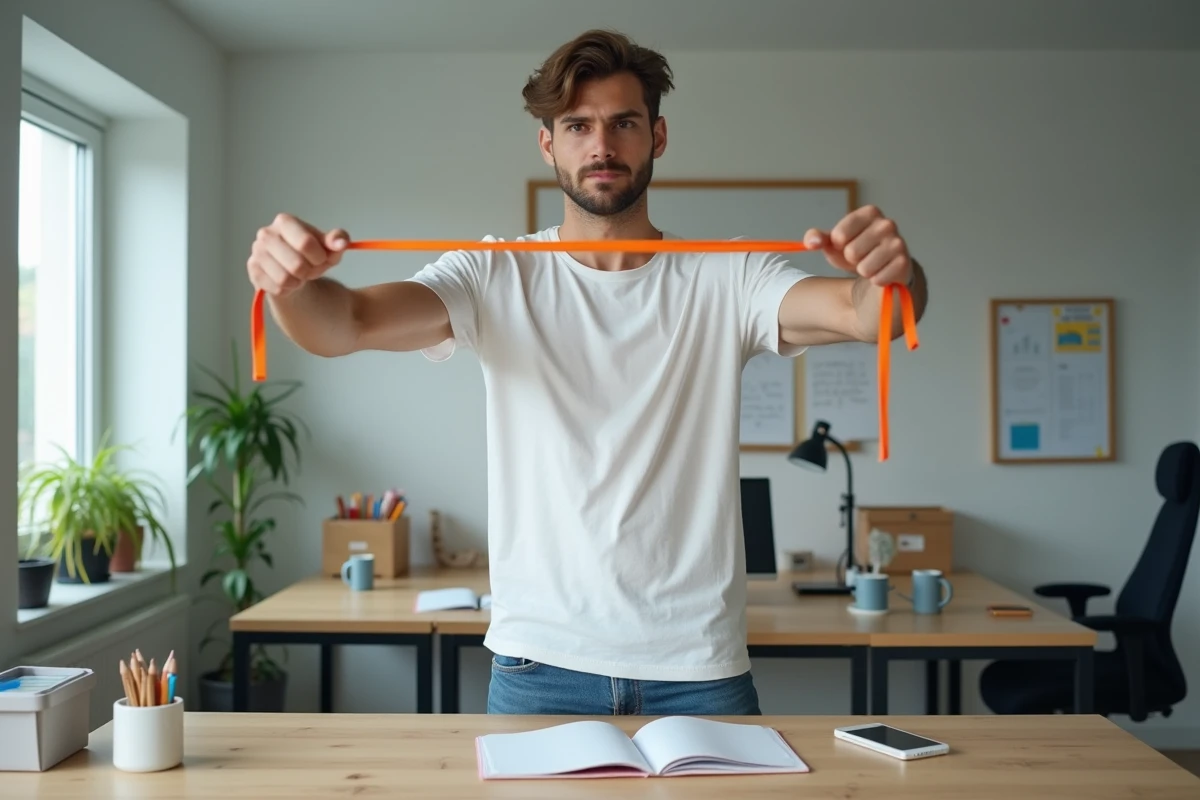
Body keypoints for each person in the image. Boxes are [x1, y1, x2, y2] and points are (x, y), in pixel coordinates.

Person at [245, 29, 929, 716]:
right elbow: (345, 324)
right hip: (540, 663)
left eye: (623, 123)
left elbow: (872, 315)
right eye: (578, 126)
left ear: (657, 136)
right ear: (549, 143)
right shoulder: (494, 273)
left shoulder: (726, 275)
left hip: (699, 666)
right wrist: (290, 283)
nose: (601, 146)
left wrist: (893, 274)